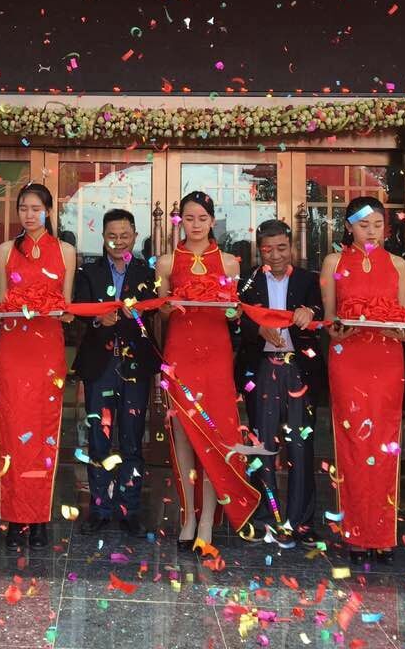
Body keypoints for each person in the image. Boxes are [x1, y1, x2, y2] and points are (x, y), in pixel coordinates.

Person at [156, 191, 261, 549]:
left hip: (216, 355)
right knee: (185, 435)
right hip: (180, 354)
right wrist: (169, 306)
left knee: (215, 436)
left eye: (202, 218)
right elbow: (162, 311)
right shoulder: (167, 262)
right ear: (180, 221)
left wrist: (232, 309)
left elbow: (232, 314)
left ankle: (207, 522)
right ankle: (188, 514)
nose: (196, 224)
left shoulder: (229, 263)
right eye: (189, 218)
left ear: (213, 221)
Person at [320, 195, 405, 563]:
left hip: (387, 360)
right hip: (349, 359)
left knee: (386, 442)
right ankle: (356, 533)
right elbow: (330, 321)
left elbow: (404, 324)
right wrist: (341, 329)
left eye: (377, 224)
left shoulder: (398, 264)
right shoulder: (334, 262)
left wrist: (396, 330)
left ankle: (383, 534)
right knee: (353, 443)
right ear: (348, 227)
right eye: (363, 225)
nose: (371, 231)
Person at [0, 183, 75, 551]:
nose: (29, 214)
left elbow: (67, 308)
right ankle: (13, 516)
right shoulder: (6, 250)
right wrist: (0, 314)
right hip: (13, 349)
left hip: (47, 350)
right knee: (12, 430)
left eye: (36, 208)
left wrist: (54, 310)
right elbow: (1, 302)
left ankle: (39, 518)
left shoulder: (66, 251)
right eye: (23, 208)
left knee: (44, 432)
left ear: (49, 211)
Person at [236, 219, 324, 546]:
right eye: (268, 250)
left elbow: (322, 310)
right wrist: (257, 328)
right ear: (259, 251)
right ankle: (264, 519)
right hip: (261, 368)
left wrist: (310, 311)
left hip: (298, 369)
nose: (275, 256)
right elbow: (233, 318)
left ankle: (301, 522)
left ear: (292, 247)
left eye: (282, 248)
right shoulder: (248, 281)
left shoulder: (308, 280)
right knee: (262, 445)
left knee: (301, 446)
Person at [72, 208, 158, 538]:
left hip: (135, 364)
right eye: (112, 236)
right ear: (103, 237)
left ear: (134, 236)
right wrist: (98, 319)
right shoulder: (89, 272)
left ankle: (129, 510)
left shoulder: (147, 272)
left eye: (124, 235)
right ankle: (99, 508)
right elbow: (79, 308)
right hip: (100, 366)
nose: (118, 241)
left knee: (132, 440)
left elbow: (154, 311)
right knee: (99, 439)